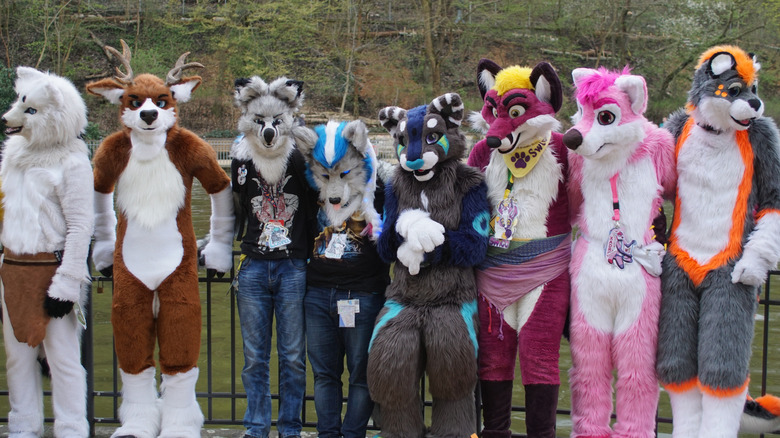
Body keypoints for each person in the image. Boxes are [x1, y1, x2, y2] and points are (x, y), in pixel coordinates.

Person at [231, 76, 318, 438]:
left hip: (293, 267)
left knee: (294, 358)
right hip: (252, 267)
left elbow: (321, 196)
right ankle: (255, 429)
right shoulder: (241, 157)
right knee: (254, 360)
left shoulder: (301, 157)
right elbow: (231, 208)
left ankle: (290, 430)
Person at [300, 120, 389, 438]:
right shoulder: (312, 185)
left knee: (361, 376)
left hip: (362, 294)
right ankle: (328, 434)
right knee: (324, 375)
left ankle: (353, 434)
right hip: (317, 293)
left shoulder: (375, 187)